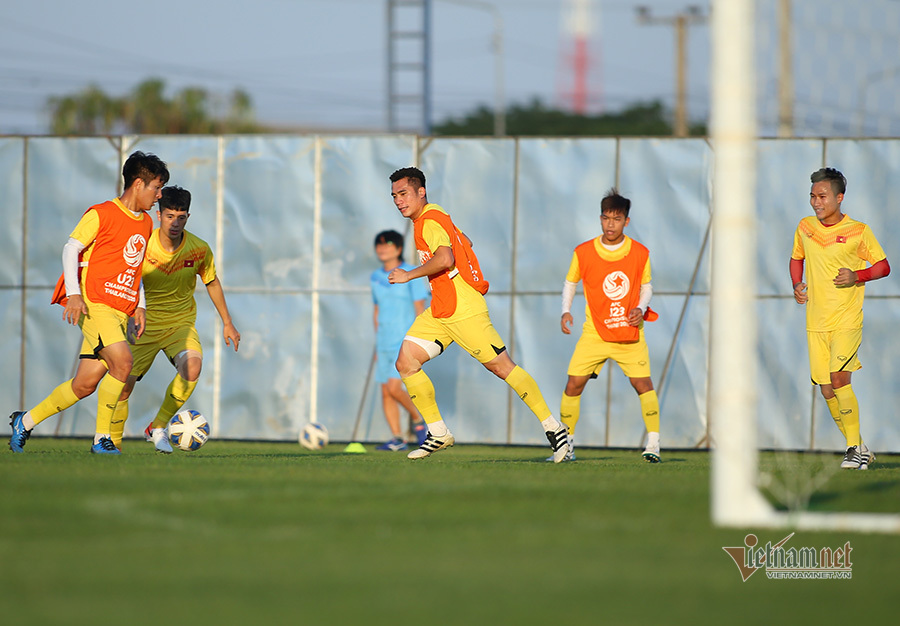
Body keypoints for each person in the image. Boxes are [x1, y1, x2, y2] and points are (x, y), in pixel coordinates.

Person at [387, 167, 571, 462]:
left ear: (421, 192)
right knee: (406, 362)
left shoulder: (428, 222)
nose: (399, 201)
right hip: (441, 310)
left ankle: (555, 429)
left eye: (404, 193)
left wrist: (408, 275)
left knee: (502, 367)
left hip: (463, 309)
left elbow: (445, 258)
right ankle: (438, 432)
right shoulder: (437, 215)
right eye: (395, 196)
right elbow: (465, 242)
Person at [9, 151, 168, 454]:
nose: (159, 195)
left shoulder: (146, 223)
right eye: (156, 188)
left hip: (121, 310)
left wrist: (140, 305)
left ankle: (25, 422)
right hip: (96, 305)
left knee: (84, 385)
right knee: (123, 364)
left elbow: (135, 269)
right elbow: (71, 249)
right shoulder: (102, 213)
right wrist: (73, 294)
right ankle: (101, 440)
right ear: (137, 184)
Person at [108, 185, 241, 453]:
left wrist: (227, 321)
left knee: (192, 367)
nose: (175, 222)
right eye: (170, 216)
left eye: (181, 217)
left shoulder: (198, 249)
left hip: (180, 324)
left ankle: (157, 427)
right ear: (159, 215)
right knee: (123, 388)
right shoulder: (142, 244)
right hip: (142, 326)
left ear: (188, 217)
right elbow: (125, 279)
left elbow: (212, 282)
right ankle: (112, 445)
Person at [791, 167, 890, 470]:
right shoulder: (805, 227)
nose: (816, 202)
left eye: (822, 196)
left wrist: (856, 275)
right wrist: (796, 284)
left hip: (846, 319)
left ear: (839, 197)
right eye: (812, 196)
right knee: (826, 388)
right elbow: (797, 259)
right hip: (816, 321)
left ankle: (851, 449)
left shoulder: (858, 231)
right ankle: (860, 447)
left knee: (839, 378)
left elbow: (883, 266)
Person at [557, 189, 662, 463]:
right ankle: (566, 446)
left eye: (616, 219)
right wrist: (566, 312)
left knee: (643, 384)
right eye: (606, 218)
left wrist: (640, 307)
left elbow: (647, 285)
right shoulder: (583, 252)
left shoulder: (640, 253)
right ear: (600, 219)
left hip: (629, 333)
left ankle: (653, 444)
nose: (610, 224)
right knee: (573, 385)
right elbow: (571, 282)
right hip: (595, 333)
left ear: (626, 221)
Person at [371, 230, 430, 451]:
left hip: (403, 340)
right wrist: (377, 339)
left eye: (387, 245)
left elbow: (419, 308)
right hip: (384, 341)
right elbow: (376, 309)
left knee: (395, 388)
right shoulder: (376, 277)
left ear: (398, 249)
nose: (382, 249)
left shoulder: (409, 274)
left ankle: (417, 420)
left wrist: (418, 339)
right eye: (379, 245)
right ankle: (397, 438)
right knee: (386, 391)